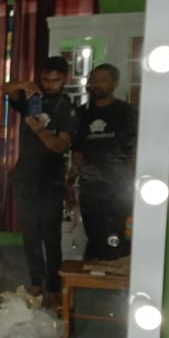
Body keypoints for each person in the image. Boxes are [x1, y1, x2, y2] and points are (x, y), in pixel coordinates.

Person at [3, 56, 76, 308]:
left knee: (51, 238)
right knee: (30, 236)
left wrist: (39, 131)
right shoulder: (32, 99)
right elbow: (4, 88)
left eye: (56, 80)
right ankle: (36, 282)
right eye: (46, 79)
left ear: (65, 79)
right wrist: (24, 84)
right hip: (25, 178)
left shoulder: (68, 107)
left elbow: (59, 146)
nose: (50, 84)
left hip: (51, 181)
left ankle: (53, 287)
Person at [69, 63, 138, 261]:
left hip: (119, 185)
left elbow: (135, 148)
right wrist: (71, 182)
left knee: (119, 234)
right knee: (94, 232)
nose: (97, 84)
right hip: (91, 185)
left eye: (103, 80)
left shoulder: (126, 112)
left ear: (115, 84)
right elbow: (77, 151)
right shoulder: (82, 114)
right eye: (93, 80)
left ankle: (117, 272)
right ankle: (95, 271)